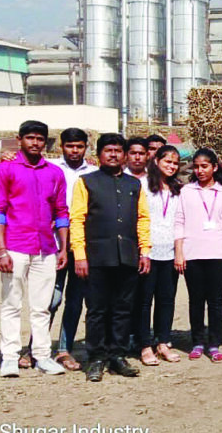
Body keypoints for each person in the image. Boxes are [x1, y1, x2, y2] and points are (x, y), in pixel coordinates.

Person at [69, 133, 150, 381]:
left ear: (124, 155)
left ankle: (118, 355)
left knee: (122, 309)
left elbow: (143, 219)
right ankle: (96, 358)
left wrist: (144, 251)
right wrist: (80, 255)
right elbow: (77, 219)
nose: (113, 154)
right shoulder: (86, 182)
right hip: (96, 257)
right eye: (108, 150)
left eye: (118, 150)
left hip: (127, 256)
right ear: (99, 154)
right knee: (96, 309)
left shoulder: (134, 185)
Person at [0, 120, 70, 377]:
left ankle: (43, 356)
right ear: (20, 139)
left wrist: (63, 248)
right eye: (30, 138)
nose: (35, 143)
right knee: (12, 303)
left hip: (46, 248)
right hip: (15, 246)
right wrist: (1, 250)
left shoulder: (54, 173)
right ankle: (10, 357)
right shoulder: (6, 170)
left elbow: (61, 211)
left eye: (40, 139)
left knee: (41, 306)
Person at [174, 148, 222, 363]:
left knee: (215, 301)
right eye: (196, 166)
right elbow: (179, 222)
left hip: (218, 253)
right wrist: (179, 253)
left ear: (215, 167)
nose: (200, 170)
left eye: (204, 166)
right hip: (193, 254)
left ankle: (214, 343)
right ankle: (197, 342)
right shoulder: (186, 192)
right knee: (195, 300)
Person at [45, 127, 96, 372]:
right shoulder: (49, 169)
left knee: (75, 300)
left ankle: (64, 349)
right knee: (49, 300)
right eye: (69, 146)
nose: (74, 151)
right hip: (52, 245)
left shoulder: (94, 173)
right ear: (61, 147)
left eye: (79, 146)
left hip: (82, 247)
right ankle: (38, 348)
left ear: (86, 147)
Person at [137, 145, 183, 365]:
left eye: (175, 163)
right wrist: (142, 250)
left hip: (170, 252)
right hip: (148, 252)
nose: (171, 166)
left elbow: (180, 223)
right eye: (167, 161)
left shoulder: (177, 189)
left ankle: (163, 342)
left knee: (167, 300)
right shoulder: (143, 186)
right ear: (156, 161)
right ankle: (145, 345)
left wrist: (179, 252)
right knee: (144, 301)